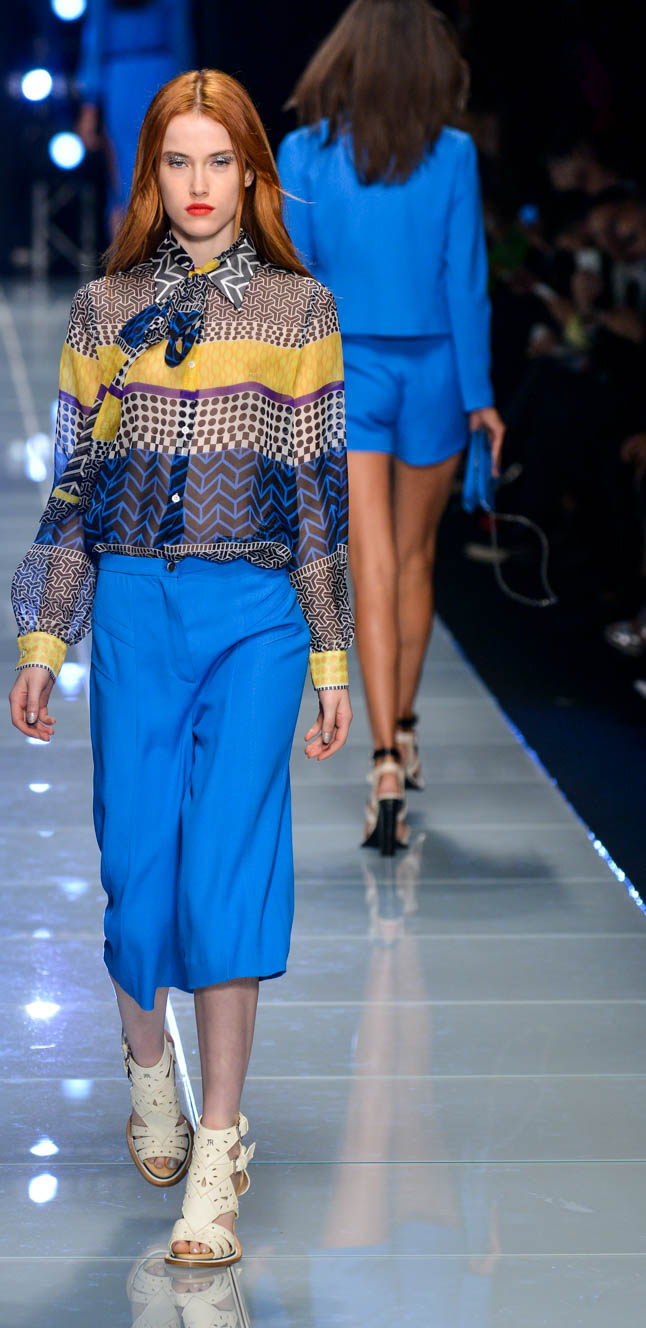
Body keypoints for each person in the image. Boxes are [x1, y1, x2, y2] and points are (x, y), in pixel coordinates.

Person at [9, 67, 353, 1267]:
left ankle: (218, 1149)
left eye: (220, 162)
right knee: (137, 870)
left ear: (252, 176)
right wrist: (45, 637)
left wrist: (330, 651)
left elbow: (319, 495)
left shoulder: (300, 313)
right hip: (133, 610)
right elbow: (70, 485)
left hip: (255, 610)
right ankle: (147, 1064)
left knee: (224, 876)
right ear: (150, 175)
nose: (199, 185)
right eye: (177, 161)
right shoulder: (101, 311)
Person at [278, 0, 504, 853]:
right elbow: (464, 280)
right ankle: (401, 732)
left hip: (349, 371)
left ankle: (381, 761)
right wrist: (480, 396)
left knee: (369, 565)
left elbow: (298, 285)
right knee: (414, 560)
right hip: (437, 369)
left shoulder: (305, 154)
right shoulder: (453, 155)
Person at [75, 0, 193, 238]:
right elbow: (95, 35)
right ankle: (130, 252)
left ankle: (163, 250)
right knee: (126, 174)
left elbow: (181, 34)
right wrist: (90, 103)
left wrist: (190, 92)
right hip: (124, 73)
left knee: (167, 169)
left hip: (161, 75)